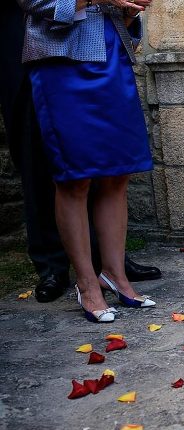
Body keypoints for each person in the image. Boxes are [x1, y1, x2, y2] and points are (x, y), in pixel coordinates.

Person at [0, 0, 161, 305]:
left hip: (111, 53)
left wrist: (130, 8)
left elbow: (116, 11)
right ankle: (87, 285)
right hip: (60, 59)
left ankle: (115, 274)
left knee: (118, 173)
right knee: (74, 178)